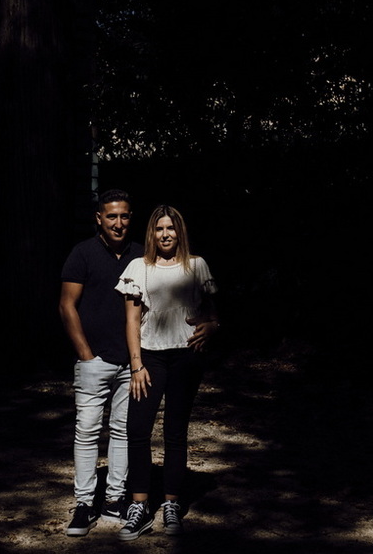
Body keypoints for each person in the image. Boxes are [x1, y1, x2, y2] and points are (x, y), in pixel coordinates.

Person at [115, 204, 220, 540]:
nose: (165, 234)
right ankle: (139, 506)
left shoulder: (197, 266)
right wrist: (136, 365)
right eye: (159, 229)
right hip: (149, 357)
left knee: (176, 431)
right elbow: (132, 321)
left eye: (170, 228)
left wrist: (213, 326)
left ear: (180, 231)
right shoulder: (138, 268)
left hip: (186, 356)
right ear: (152, 233)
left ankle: (172, 503)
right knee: (137, 429)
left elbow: (212, 314)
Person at [59, 188, 144, 536]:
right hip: (94, 362)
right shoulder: (82, 253)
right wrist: (85, 354)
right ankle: (84, 504)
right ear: (99, 218)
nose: (118, 223)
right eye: (111, 216)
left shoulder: (141, 255)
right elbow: (66, 305)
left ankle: (114, 499)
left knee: (123, 431)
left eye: (124, 216)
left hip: (131, 362)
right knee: (87, 432)